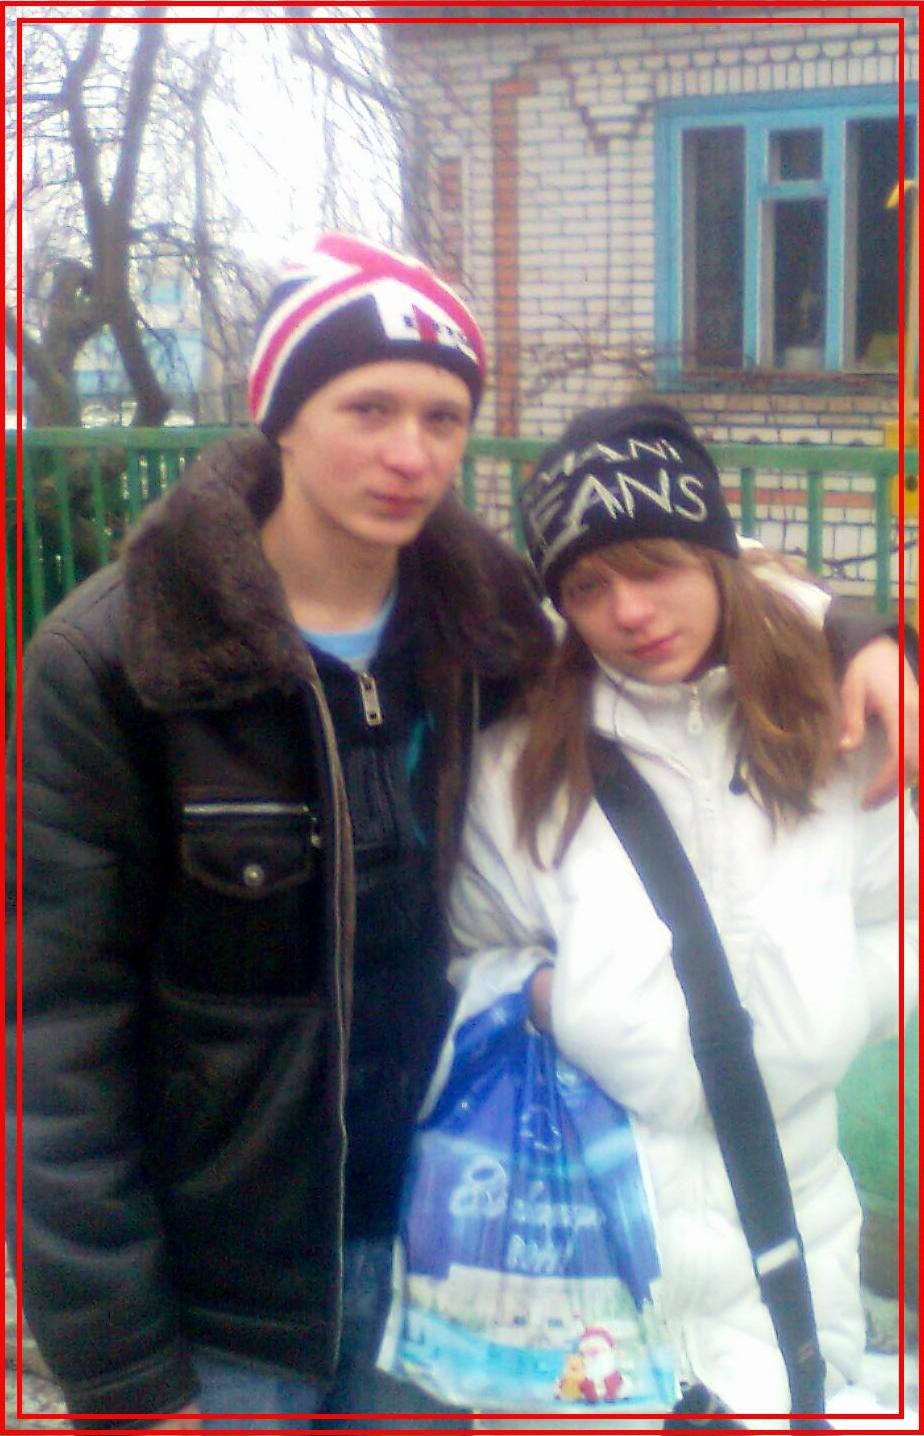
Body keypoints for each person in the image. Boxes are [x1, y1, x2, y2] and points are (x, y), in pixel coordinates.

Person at [6, 236, 915, 1432]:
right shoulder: (122, 655)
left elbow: (677, 574)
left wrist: (857, 627)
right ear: (280, 413)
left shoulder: (484, 621)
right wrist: (119, 1363)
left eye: (444, 416)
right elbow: (55, 1026)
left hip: (446, 1258)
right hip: (223, 1294)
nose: (411, 452)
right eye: (368, 407)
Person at [440, 402, 918, 1425]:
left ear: (715, 556)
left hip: (790, 1219)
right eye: (588, 587)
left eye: (656, 566)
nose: (630, 610)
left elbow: (903, 914)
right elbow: (469, 949)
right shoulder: (523, 759)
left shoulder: (837, 727)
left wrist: (825, 1010)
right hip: (587, 1241)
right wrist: (559, 999)